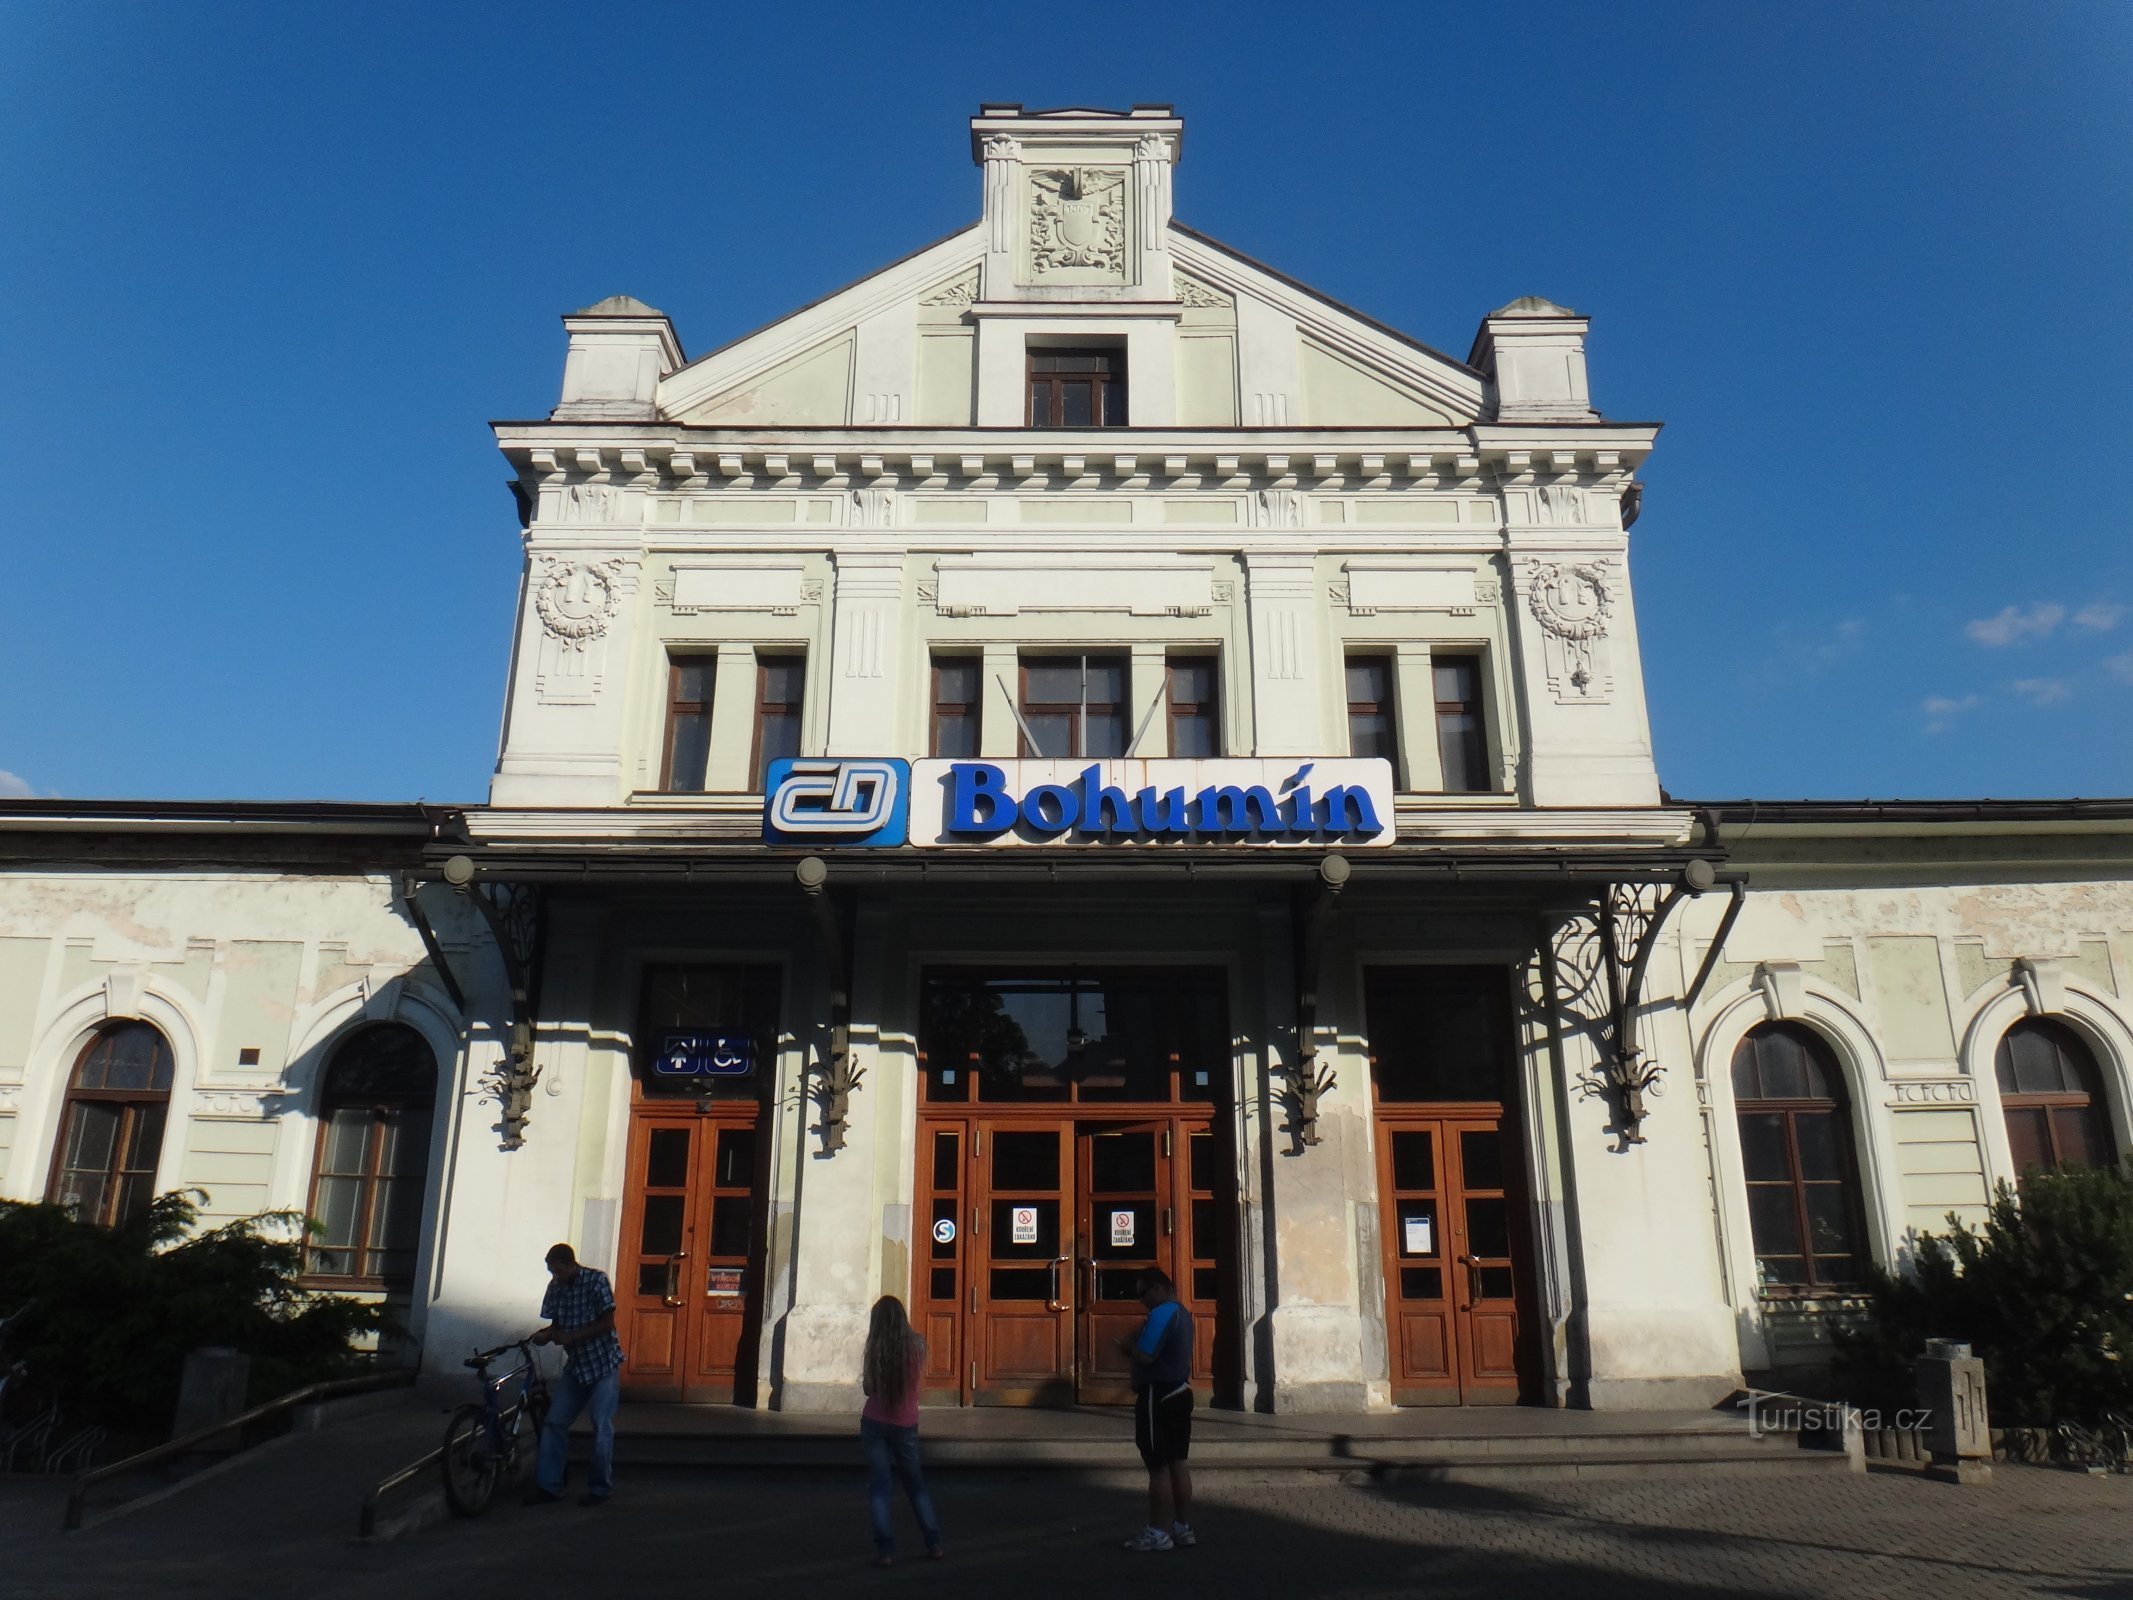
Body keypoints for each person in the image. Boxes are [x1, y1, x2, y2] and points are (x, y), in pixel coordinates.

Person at [524, 1242, 626, 1507]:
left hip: (604, 1364)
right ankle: (550, 1486)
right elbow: (557, 1323)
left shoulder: (596, 1281)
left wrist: (572, 1336)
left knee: (600, 1423)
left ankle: (599, 1488)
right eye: (551, 1272)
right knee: (554, 1422)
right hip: (577, 1367)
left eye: (558, 1271)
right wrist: (547, 1335)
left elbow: (607, 1324)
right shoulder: (556, 1288)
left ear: (571, 1265)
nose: (555, 1277)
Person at [859, 1294, 943, 1565]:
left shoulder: (875, 1346)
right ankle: (934, 1543)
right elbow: (918, 1385)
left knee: (880, 1486)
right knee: (915, 1484)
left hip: (874, 1423)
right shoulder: (918, 1345)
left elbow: (868, 1388)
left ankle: (885, 1551)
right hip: (906, 1423)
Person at [1117, 1266, 1195, 1551]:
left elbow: (1147, 1355)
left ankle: (1157, 1532)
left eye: (1143, 1294)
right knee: (1178, 1461)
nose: (1142, 1301)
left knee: (1157, 1465)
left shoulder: (1162, 1314)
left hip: (1158, 1394)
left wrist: (1127, 1349)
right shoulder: (1184, 1313)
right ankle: (1182, 1527)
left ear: (1159, 1288)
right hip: (1180, 1390)